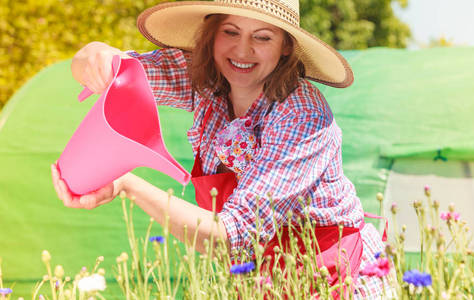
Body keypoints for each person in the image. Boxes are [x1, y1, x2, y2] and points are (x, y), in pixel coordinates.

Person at [51, 0, 394, 298]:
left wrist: (127, 184)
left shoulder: (301, 113)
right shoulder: (206, 79)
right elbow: (116, 71)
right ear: (212, 34)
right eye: (230, 32)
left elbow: (232, 238)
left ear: (286, 46)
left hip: (334, 276)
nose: (242, 51)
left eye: (262, 37)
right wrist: (95, 56)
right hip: (266, 277)